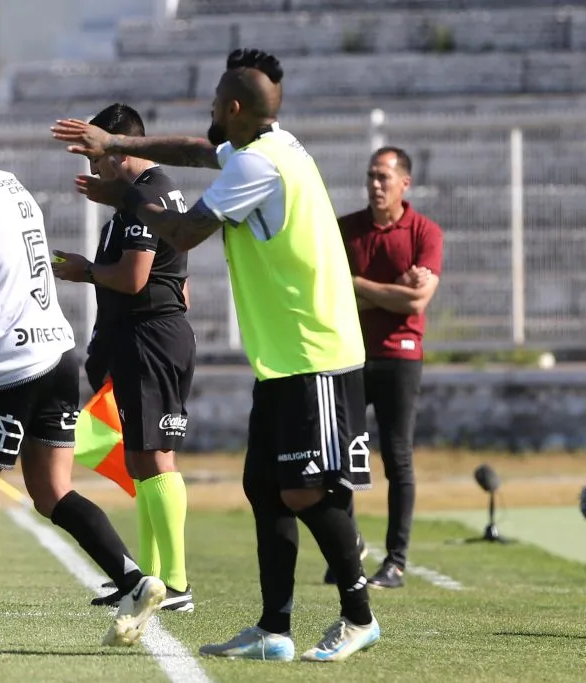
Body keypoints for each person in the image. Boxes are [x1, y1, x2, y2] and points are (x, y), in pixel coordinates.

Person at [51, 48, 380, 662]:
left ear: (232, 107)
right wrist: (115, 142)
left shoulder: (260, 167)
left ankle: (358, 614)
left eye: (212, 104)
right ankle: (273, 629)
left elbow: (182, 233)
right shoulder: (267, 146)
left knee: (306, 492)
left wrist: (121, 189)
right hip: (281, 355)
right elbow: (198, 152)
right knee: (265, 487)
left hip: (317, 350)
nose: (205, 115)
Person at [0, 94, 164, 648]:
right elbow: (12, 279)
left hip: (8, 369)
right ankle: (134, 580)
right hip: (55, 355)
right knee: (51, 490)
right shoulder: (12, 186)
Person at [52, 102, 196, 613]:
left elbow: (134, 278)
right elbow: (178, 280)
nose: (91, 166)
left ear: (117, 144)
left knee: (155, 455)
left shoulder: (148, 194)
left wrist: (84, 270)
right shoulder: (143, 197)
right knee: (140, 457)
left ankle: (175, 582)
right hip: (145, 336)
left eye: (95, 151)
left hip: (151, 339)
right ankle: (149, 580)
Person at [336, 146, 443, 589]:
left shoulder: (425, 232)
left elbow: (418, 301)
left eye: (384, 176)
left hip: (401, 356)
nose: (375, 184)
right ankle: (349, 547)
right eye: (371, 176)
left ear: (405, 183)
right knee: (343, 458)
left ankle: (396, 561)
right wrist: (389, 289)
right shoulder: (346, 229)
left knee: (397, 459)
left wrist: (358, 285)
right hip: (350, 354)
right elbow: (333, 294)